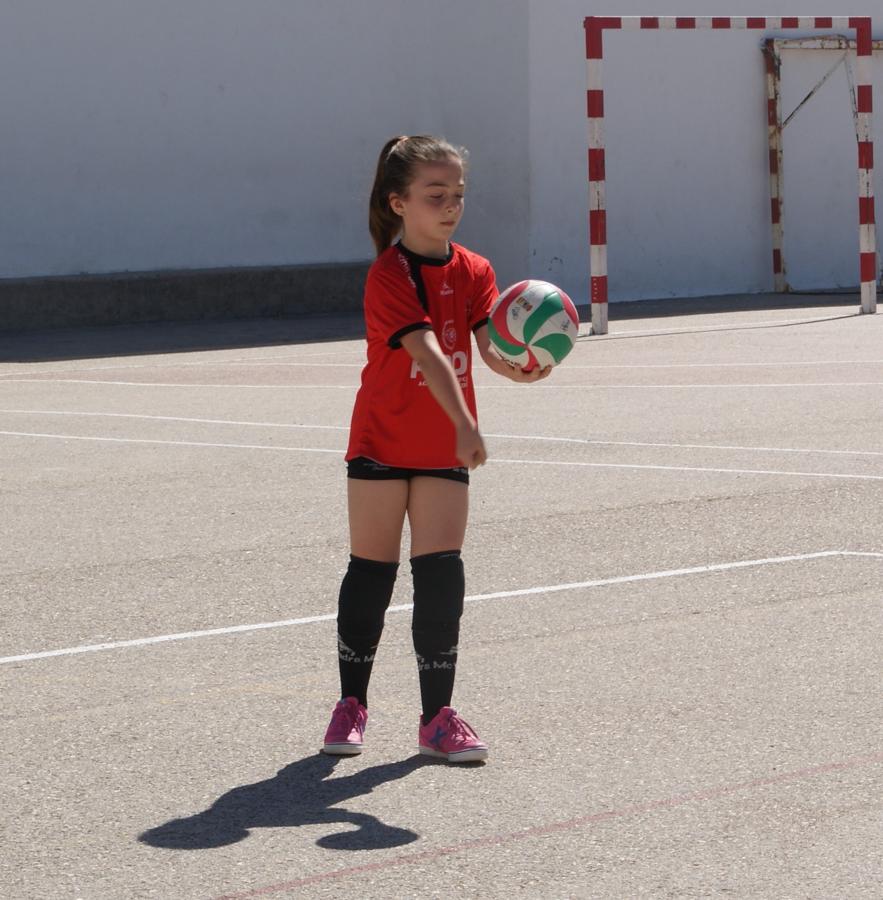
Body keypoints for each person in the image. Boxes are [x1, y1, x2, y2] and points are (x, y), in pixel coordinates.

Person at [322, 135, 551, 763]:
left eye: (457, 195)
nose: (450, 206)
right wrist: (467, 425)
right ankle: (351, 703)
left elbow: (483, 346)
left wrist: (520, 367)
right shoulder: (388, 274)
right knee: (371, 573)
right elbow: (424, 350)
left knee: (441, 576)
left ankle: (436, 718)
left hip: (443, 447)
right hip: (383, 438)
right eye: (435, 195)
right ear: (398, 202)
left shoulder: (475, 270)